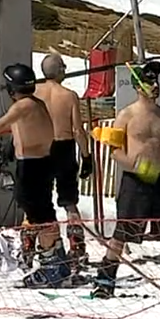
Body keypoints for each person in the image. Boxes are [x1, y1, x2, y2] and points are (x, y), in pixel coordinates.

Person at [0, 63, 72, 288]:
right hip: (37, 162)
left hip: (34, 166)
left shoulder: (23, 106)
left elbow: (1, 124)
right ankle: (56, 259)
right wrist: (10, 148)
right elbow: (23, 129)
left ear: (11, 88)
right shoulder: (34, 104)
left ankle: (54, 265)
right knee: (37, 209)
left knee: (39, 213)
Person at [89, 61, 160, 299]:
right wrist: (135, 165)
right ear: (138, 86)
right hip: (135, 182)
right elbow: (114, 151)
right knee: (123, 233)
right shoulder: (126, 115)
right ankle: (104, 281)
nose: (155, 86)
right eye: (149, 81)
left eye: (156, 81)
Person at [34, 53, 93, 270]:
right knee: (69, 201)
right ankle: (77, 248)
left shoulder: (34, 94)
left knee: (38, 200)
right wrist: (86, 157)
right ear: (59, 70)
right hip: (63, 147)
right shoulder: (69, 96)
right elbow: (78, 130)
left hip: (39, 148)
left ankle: (31, 245)